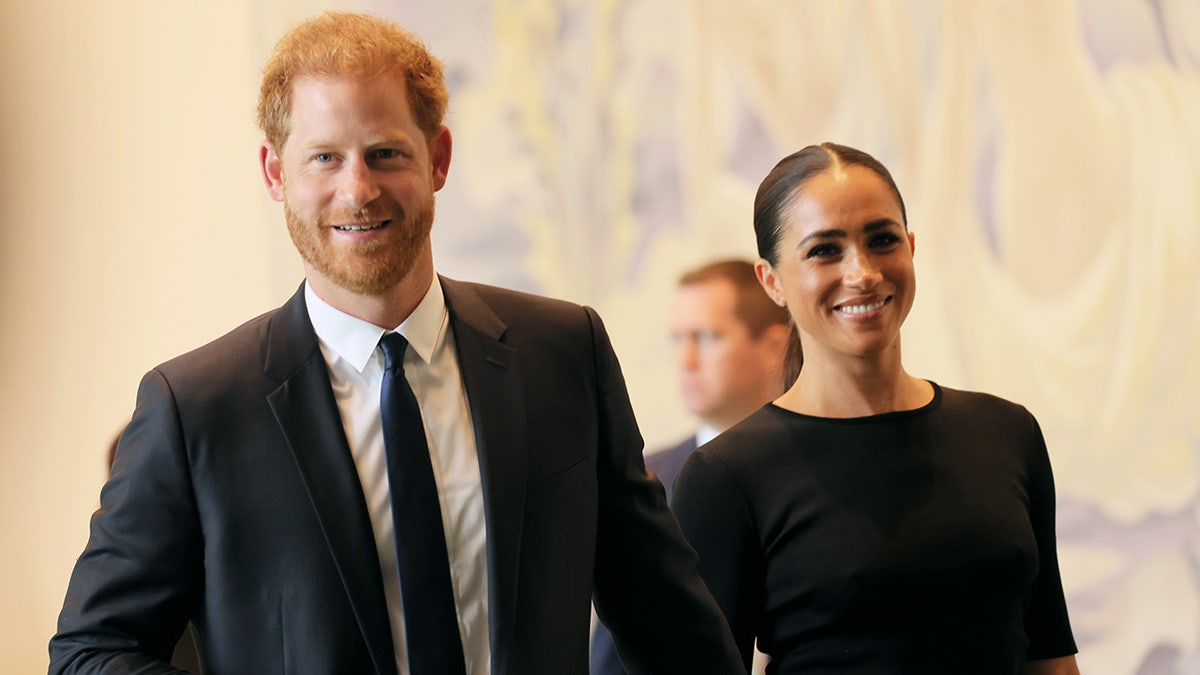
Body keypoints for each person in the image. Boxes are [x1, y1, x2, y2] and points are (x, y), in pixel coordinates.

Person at [48, 12, 744, 675]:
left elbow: (670, 626)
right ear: (274, 174)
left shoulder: (564, 353)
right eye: (324, 158)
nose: (358, 190)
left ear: (437, 157)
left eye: (384, 153)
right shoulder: (195, 407)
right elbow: (90, 650)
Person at [670, 142, 1081, 674]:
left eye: (882, 240)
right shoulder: (727, 475)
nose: (862, 272)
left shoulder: (1006, 433)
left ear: (910, 248)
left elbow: (1050, 655)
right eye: (825, 250)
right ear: (772, 281)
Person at [590, 259, 789, 674]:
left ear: (776, 345)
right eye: (678, 340)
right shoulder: (642, 477)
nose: (686, 360)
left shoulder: (812, 472)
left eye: (706, 337)